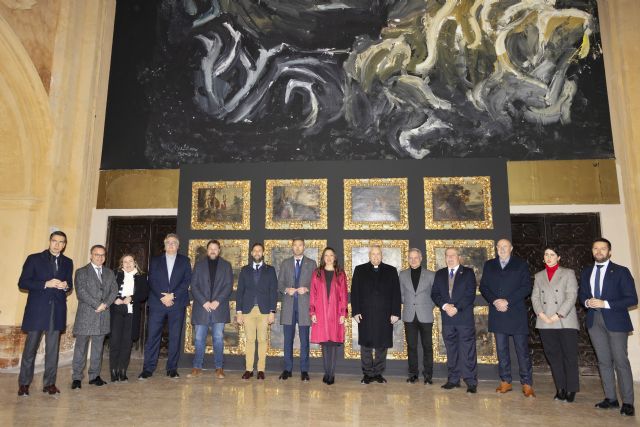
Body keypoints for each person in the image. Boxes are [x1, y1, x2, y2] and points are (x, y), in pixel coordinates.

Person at [579, 238, 637, 416]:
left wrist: (605, 304)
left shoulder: (621, 271)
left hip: (616, 321)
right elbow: (582, 294)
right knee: (603, 361)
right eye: (595, 248)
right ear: (592, 251)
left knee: (621, 361)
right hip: (594, 321)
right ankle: (611, 398)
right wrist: (587, 301)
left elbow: (632, 299)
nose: (599, 251)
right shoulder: (587, 271)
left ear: (609, 252)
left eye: (603, 248)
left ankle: (628, 402)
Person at [17, 231, 73, 396]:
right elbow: (23, 282)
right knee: (30, 349)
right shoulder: (34, 258)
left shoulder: (68, 262)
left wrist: (65, 286)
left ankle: (49, 384)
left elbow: (69, 284)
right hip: (37, 311)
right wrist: (45, 284)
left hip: (57, 311)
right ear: (49, 242)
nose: (57, 245)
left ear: (64, 245)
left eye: (61, 242)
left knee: (52, 351)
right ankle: (24, 384)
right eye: (55, 241)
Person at [480, 239, 535, 397]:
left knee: (522, 351)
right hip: (498, 312)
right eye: (499, 247)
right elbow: (483, 286)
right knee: (502, 350)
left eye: (505, 246)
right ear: (496, 248)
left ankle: (527, 383)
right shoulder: (489, 264)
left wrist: (507, 301)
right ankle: (505, 381)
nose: (502, 249)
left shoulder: (521, 264)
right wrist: (495, 301)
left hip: (516, 312)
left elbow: (526, 287)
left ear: (511, 248)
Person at [139, 234, 192, 379]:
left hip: (177, 303)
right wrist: (163, 297)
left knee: (175, 337)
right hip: (158, 303)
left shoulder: (185, 261)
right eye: (168, 243)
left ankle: (172, 369)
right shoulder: (155, 261)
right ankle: (148, 369)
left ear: (178, 246)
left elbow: (187, 280)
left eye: (174, 243)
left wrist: (172, 295)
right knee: (153, 337)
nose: (171, 245)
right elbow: (151, 281)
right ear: (164, 245)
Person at [531, 246, 580, 402]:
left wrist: (558, 315)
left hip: (565, 320)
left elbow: (571, 296)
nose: (549, 257)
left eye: (552, 254)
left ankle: (571, 389)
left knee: (569, 356)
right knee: (554, 357)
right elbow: (535, 298)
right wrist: (541, 314)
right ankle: (560, 388)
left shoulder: (568, 273)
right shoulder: (538, 276)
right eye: (546, 254)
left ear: (558, 257)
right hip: (545, 321)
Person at [351, 246, 401, 384]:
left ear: (382, 255)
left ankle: (378, 373)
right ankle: (367, 374)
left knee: (382, 345)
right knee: (366, 346)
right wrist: (355, 311)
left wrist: (395, 313)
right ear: (369, 255)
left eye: (378, 254)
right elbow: (354, 292)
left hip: (385, 315)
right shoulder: (360, 270)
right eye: (373, 254)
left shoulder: (391, 271)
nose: (375, 256)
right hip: (365, 315)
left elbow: (396, 293)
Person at [431, 247, 478, 393]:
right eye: (447, 255)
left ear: (459, 257)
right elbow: (435, 294)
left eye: (452, 255)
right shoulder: (439, 274)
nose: (450, 258)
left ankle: (470, 381)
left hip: (463, 318)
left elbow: (470, 294)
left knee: (467, 351)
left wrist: (456, 308)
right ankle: (453, 379)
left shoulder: (468, 273)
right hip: (447, 319)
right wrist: (445, 306)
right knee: (451, 350)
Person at [71, 245, 118, 389]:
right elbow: (81, 292)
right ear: (91, 255)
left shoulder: (110, 273)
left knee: (98, 348)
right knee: (81, 349)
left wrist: (105, 304)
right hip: (86, 315)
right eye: (97, 254)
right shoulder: (82, 272)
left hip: (103, 315)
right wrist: (97, 304)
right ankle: (77, 378)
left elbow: (114, 290)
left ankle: (94, 376)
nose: (100, 257)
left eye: (102, 255)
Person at [189, 240, 233, 379]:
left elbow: (228, 286)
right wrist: (204, 302)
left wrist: (217, 301)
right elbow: (194, 285)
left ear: (219, 250)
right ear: (207, 250)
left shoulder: (226, 265)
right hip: (202, 308)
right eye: (210, 248)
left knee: (218, 339)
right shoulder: (199, 265)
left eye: (215, 248)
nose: (213, 251)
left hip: (218, 308)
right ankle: (197, 367)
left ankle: (219, 368)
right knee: (199, 338)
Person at [236, 243, 278, 380]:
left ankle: (261, 370)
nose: (257, 252)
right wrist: (239, 312)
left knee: (262, 340)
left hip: (265, 311)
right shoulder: (244, 270)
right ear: (251, 253)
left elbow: (273, 291)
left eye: (260, 250)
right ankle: (248, 370)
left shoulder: (270, 270)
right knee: (249, 340)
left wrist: (273, 311)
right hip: (248, 310)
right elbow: (240, 292)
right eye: (255, 251)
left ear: (263, 253)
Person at [277, 238, 317, 381]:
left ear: (304, 247)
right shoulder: (285, 263)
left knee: (304, 340)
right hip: (288, 306)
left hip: (305, 307)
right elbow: (280, 284)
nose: (298, 247)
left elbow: (316, 286)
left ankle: (304, 371)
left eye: (300, 245)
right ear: (292, 247)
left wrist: (306, 289)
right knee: (288, 340)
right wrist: (287, 289)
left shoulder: (312, 264)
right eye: (295, 245)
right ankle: (287, 369)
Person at [309, 247, 348, 385]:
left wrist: (343, 313)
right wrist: (312, 312)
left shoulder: (340, 273)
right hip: (320, 312)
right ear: (323, 258)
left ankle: (332, 374)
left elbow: (344, 294)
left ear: (335, 257)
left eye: (331, 255)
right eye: (326, 255)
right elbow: (313, 294)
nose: (329, 257)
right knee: (324, 345)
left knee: (332, 345)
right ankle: (326, 372)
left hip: (335, 312)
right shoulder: (317, 273)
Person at [109, 253, 149, 382]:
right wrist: (115, 299)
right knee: (115, 341)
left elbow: (144, 294)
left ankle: (122, 370)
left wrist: (131, 298)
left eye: (130, 261)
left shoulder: (141, 277)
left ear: (135, 263)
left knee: (127, 343)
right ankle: (113, 371)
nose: (128, 264)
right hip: (116, 311)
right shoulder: (115, 275)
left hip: (132, 312)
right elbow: (107, 290)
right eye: (125, 262)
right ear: (121, 264)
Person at [399, 248, 435, 384]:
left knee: (427, 347)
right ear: (407, 259)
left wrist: (425, 306)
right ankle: (413, 374)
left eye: (416, 257)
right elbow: (401, 295)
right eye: (410, 257)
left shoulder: (431, 275)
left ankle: (428, 376)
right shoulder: (402, 275)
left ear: (421, 258)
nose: (413, 260)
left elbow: (434, 296)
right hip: (409, 316)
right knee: (411, 346)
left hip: (425, 315)